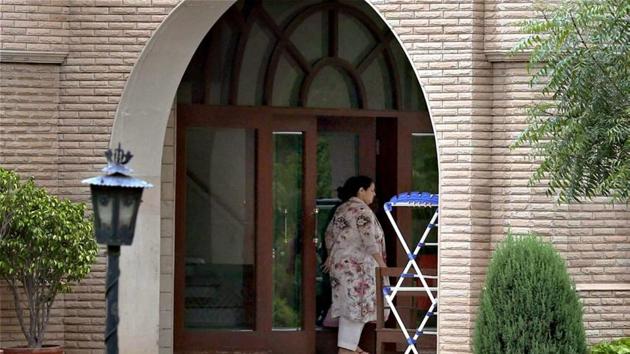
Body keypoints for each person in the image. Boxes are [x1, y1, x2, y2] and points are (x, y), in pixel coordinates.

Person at [322, 176, 388, 354]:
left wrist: (331, 256)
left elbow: (329, 235)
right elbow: (370, 241)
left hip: (341, 268)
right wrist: (382, 265)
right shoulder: (363, 211)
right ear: (361, 190)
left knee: (349, 309)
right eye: (372, 190)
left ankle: (350, 347)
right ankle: (347, 349)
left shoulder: (341, 209)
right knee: (358, 309)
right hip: (359, 269)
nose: (374, 194)